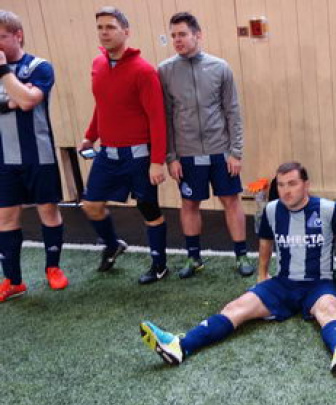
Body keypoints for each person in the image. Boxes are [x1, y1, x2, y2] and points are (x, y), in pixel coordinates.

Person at [139, 161, 336, 374]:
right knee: (235, 307)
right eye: (281, 185)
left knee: (327, 310)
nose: (286, 190)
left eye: (292, 184)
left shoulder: (329, 209)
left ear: (306, 185)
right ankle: (179, 346)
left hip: (319, 284)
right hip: (283, 283)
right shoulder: (271, 210)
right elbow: (265, 243)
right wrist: (262, 274)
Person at [158, 12, 254, 279]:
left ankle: (241, 255)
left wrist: (235, 152)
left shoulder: (220, 67)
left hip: (221, 151)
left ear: (197, 35)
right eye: (173, 35)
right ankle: (194, 258)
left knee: (231, 201)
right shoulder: (165, 71)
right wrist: (171, 157)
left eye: (182, 34)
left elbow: (232, 112)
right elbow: (166, 116)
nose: (177, 40)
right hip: (186, 154)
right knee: (189, 203)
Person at [79, 6, 169, 284]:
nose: (104, 32)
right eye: (100, 27)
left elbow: (157, 118)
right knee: (91, 205)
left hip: (139, 156)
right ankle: (112, 245)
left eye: (111, 27)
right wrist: (90, 135)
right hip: (107, 154)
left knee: (148, 210)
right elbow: (102, 105)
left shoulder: (144, 71)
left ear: (126, 31)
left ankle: (159, 265)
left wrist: (157, 161)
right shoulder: (98, 64)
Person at [0, 10, 68, 301]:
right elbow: (20, 99)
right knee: (5, 217)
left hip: (40, 156)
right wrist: (12, 101)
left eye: (2, 37)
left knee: (48, 210)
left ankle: (53, 268)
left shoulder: (39, 66)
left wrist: (5, 73)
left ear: (18, 35)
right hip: (4, 158)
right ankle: (13, 280)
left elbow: (28, 101)